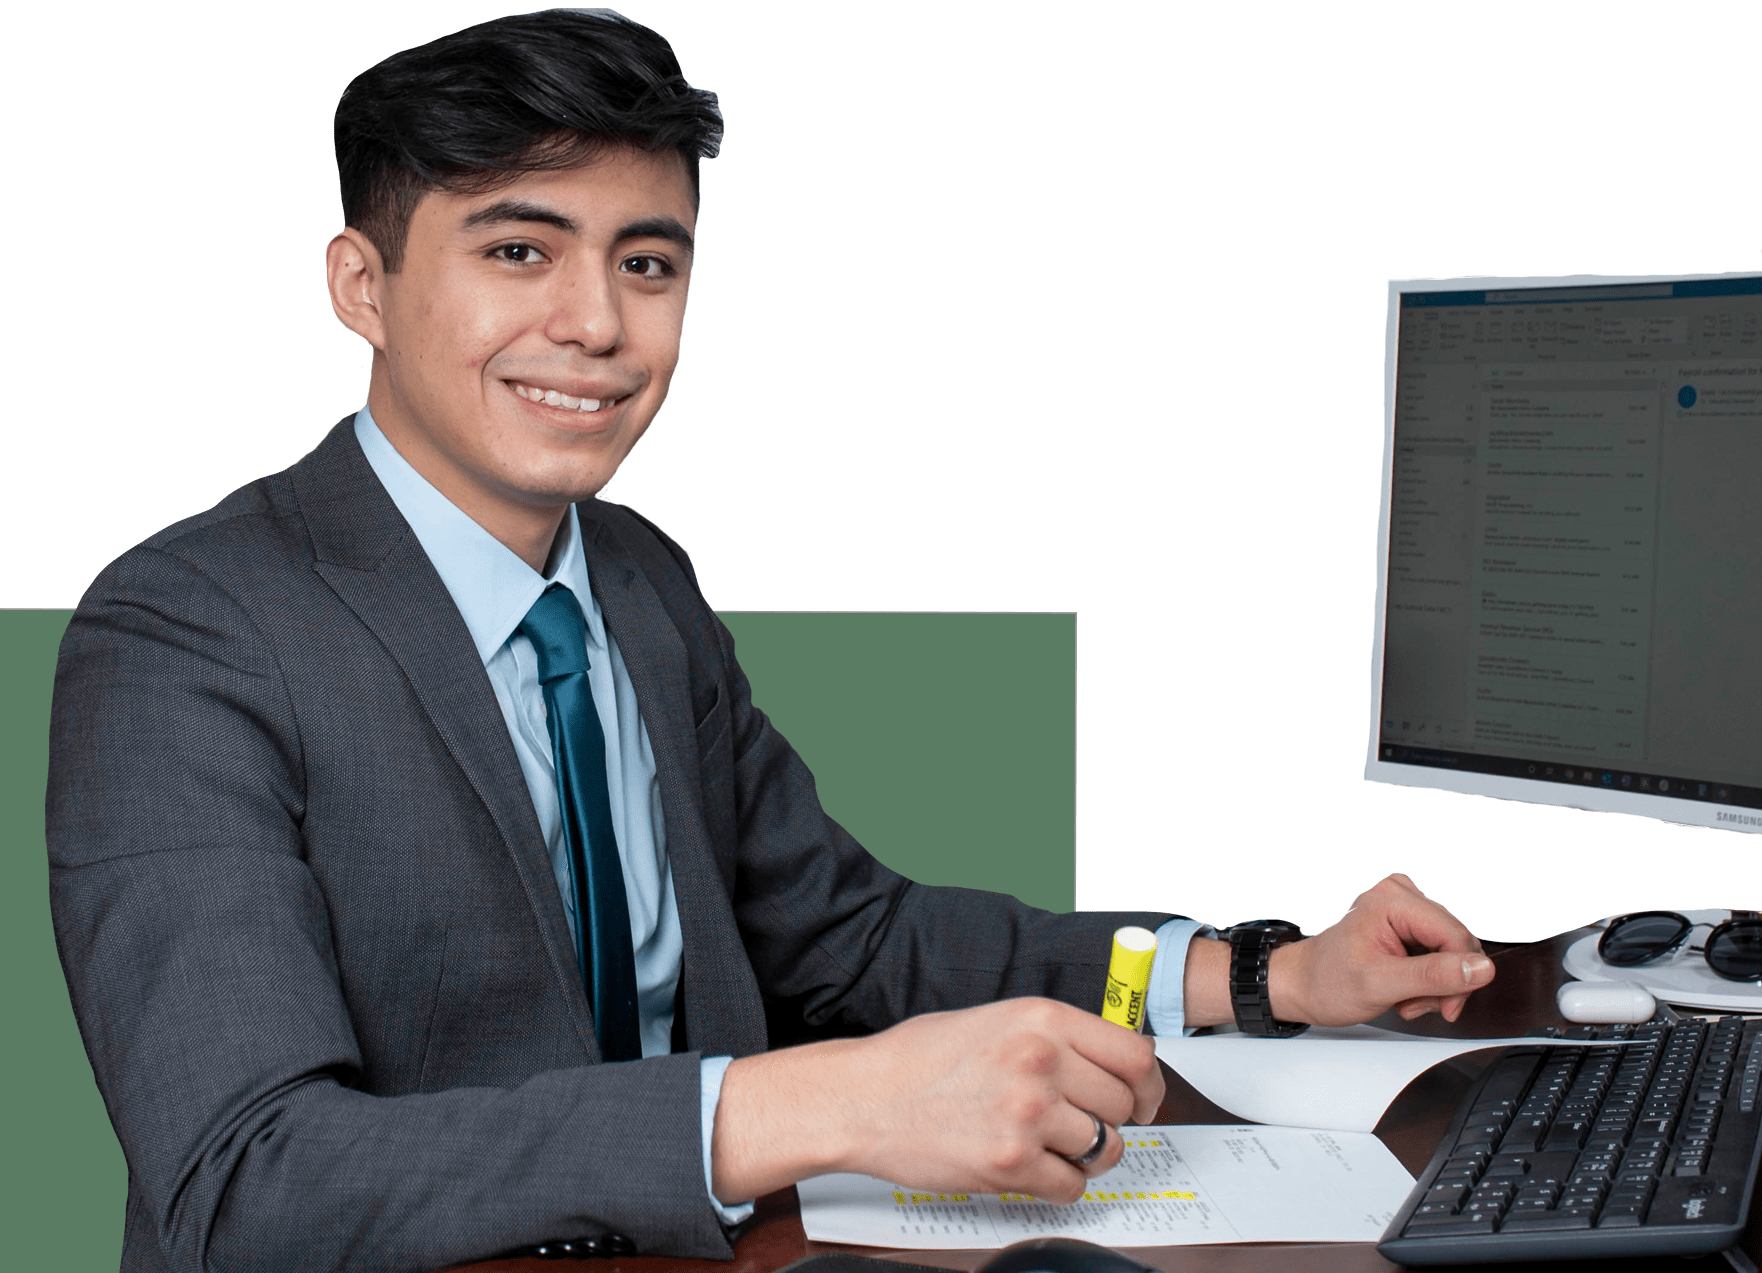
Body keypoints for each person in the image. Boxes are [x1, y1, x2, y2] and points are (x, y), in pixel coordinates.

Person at [45, 10, 1497, 1270]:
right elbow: (241, 1183)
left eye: (648, 263)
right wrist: (821, 1104)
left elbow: (856, 939)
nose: (597, 324)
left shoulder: (636, 574)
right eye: (516, 248)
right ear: (361, 285)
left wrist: (1261, 980)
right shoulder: (182, 636)